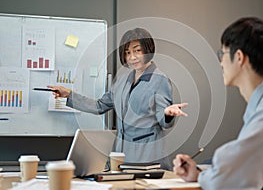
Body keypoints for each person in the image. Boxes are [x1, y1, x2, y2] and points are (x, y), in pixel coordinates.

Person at [173, 17, 263, 189]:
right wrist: (198, 173)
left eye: (222, 54)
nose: (221, 62)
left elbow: (232, 177)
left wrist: (207, 173)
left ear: (239, 57)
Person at [49, 28, 188, 170]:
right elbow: (99, 106)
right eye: (127, 53)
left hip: (149, 155)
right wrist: (69, 95)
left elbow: (163, 120)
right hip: (122, 154)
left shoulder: (159, 79)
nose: (132, 57)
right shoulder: (122, 81)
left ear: (148, 50)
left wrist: (167, 113)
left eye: (137, 51)